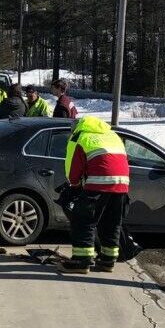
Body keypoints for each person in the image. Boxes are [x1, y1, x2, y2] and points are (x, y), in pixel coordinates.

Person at [59, 116, 130, 274]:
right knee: (111, 223)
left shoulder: (80, 137)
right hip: (122, 185)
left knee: (84, 221)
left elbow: (72, 169)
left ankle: (81, 262)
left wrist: (74, 184)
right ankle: (108, 261)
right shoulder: (113, 135)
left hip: (98, 184)